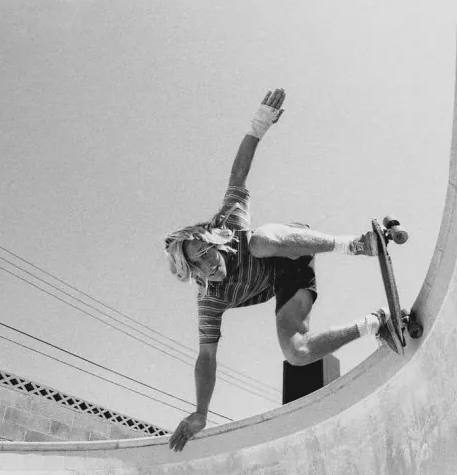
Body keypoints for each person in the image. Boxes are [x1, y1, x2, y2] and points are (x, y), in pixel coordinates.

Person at [164, 88, 397, 452]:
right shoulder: (209, 301)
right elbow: (206, 357)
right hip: (288, 283)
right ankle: (376, 322)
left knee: (259, 241)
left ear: (214, 240)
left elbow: (238, 173)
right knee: (297, 353)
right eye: (201, 262)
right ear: (193, 272)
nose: (211, 261)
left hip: (291, 244)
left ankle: (356, 244)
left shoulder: (229, 223)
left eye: (210, 250)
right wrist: (200, 412)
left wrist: (259, 124)